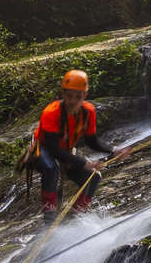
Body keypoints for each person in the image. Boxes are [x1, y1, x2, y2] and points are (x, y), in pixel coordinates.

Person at [35, 70, 103, 217]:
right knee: (52, 169)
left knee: (95, 176)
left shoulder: (88, 112)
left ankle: (73, 214)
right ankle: (49, 215)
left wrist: (113, 151)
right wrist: (84, 162)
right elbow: (53, 149)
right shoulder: (51, 112)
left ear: (85, 95)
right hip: (41, 148)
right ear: (63, 94)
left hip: (65, 149)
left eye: (78, 97)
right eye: (69, 96)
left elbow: (92, 140)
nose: (73, 101)